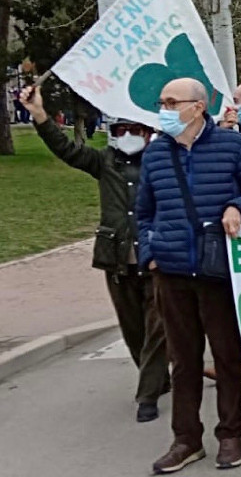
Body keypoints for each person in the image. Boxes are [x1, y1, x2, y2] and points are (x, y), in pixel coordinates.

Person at [137, 78, 241, 473]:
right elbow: (143, 212)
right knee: (184, 359)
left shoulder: (233, 146)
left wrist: (236, 207)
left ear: (197, 107)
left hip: (219, 271)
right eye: (161, 101)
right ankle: (186, 440)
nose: (163, 108)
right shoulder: (156, 153)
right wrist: (150, 254)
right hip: (172, 271)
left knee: (227, 358)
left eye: (170, 101)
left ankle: (230, 435)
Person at [21, 87, 168, 423]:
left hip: (155, 257)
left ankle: (147, 396)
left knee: (158, 328)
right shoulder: (104, 162)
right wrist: (41, 115)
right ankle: (160, 379)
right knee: (133, 330)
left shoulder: (161, 163)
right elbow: (66, 149)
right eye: (121, 130)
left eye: (136, 130)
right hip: (116, 258)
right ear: (113, 134)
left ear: (149, 134)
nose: (128, 136)